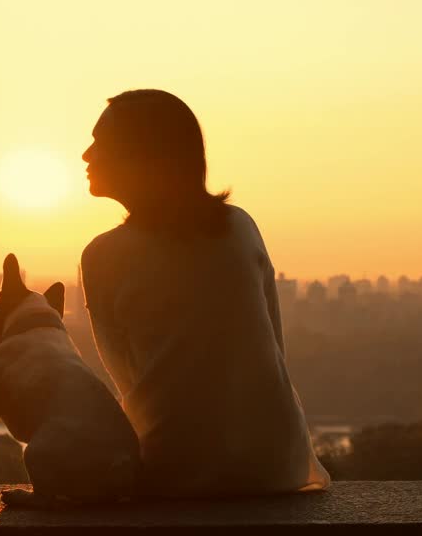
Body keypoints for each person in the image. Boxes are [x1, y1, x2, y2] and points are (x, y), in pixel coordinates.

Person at [80, 89, 330, 497]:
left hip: (177, 471)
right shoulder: (239, 227)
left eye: (100, 143)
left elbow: (127, 377)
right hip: (277, 464)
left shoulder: (103, 255)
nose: (87, 155)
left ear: (141, 155)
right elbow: (272, 347)